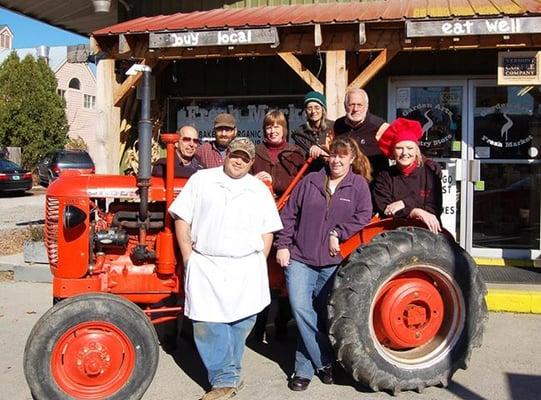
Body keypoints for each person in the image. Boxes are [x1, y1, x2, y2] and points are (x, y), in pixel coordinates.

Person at [169, 137, 283, 400]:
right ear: (226, 154)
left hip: (246, 265)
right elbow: (182, 218)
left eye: (245, 158)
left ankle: (229, 373)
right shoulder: (201, 180)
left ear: (252, 162)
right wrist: (188, 257)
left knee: (243, 320)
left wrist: (258, 260)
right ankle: (223, 378)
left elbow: (268, 229)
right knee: (207, 321)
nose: (239, 161)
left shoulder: (258, 189)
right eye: (235, 155)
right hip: (206, 262)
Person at [274, 136, 373, 391]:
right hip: (300, 258)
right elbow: (289, 214)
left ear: (352, 159)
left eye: (342, 156)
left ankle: (302, 370)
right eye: (333, 155)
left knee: (319, 315)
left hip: (332, 262)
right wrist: (283, 245)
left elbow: (364, 216)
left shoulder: (358, 186)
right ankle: (325, 361)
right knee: (300, 308)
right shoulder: (311, 181)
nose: (336, 160)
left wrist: (338, 231)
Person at [250, 109, 305, 342]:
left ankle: (283, 322)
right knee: (260, 271)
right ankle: (258, 326)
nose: (273, 131)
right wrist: (255, 180)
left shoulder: (295, 154)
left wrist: (276, 182)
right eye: (269, 127)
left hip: (287, 217)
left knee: (285, 270)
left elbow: (301, 185)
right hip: (259, 218)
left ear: (285, 129)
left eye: (277, 126)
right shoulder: (255, 153)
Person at [373, 117, 443, 234]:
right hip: (393, 234)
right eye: (399, 148)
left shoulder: (429, 174)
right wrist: (415, 211)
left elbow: (433, 207)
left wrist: (404, 203)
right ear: (393, 152)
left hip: (426, 232)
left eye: (410, 148)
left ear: (416, 151)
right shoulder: (384, 177)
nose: (405, 153)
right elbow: (386, 209)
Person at [334, 88, 390, 178]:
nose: (355, 109)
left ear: (366, 107)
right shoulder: (338, 125)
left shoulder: (379, 126)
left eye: (359, 105)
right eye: (351, 105)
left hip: (373, 182)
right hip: (345, 181)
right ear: (345, 106)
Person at [291, 91, 334, 171]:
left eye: (317, 107)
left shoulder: (334, 127)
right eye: (309, 108)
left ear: (323, 110)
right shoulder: (300, 132)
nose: (313, 111)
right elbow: (299, 157)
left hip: (331, 171)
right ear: (306, 111)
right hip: (310, 173)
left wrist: (323, 151)